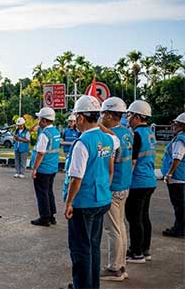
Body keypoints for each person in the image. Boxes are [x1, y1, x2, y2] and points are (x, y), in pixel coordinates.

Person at [62, 95, 115, 289]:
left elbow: (76, 177)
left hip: (83, 203)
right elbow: (110, 167)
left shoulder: (82, 143)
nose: (75, 121)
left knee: (80, 250)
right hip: (101, 200)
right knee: (93, 246)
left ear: (81, 118)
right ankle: (92, 285)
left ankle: (82, 286)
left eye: (76, 116)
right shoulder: (108, 139)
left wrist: (69, 203)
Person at [98, 97, 132, 281]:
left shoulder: (111, 138)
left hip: (113, 187)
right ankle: (122, 265)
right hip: (124, 185)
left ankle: (114, 268)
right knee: (120, 226)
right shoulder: (127, 133)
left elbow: (105, 161)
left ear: (110, 115)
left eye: (103, 114)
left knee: (112, 230)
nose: (101, 117)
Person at [125, 100, 156, 263]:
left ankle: (136, 252)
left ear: (137, 116)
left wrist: (125, 179)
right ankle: (145, 249)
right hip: (149, 181)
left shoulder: (136, 134)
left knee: (134, 218)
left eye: (129, 115)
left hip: (138, 182)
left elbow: (133, 161)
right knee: (144, 216)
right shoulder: (150, 133)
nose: (127, 118)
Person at [31, 107, 61, 226]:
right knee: (48, 192)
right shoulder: (56, 132)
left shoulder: (44, 134)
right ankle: (51, 215)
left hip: (43, 168)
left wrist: (34, 169)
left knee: (42, 193)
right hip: (52, 167)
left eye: (39, 119)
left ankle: (44, 218)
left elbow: (41, 153)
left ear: (43, 120)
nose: (38, 121)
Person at [160, 112, 185, 238]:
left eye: (176, 124)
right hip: (182, 176)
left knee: (179, 205)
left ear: (181, 126)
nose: (173, 126)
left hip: (177, 177)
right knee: (181, 204)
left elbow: (177, 158)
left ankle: (179, 229)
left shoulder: (180, 140)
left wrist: (169, 174)